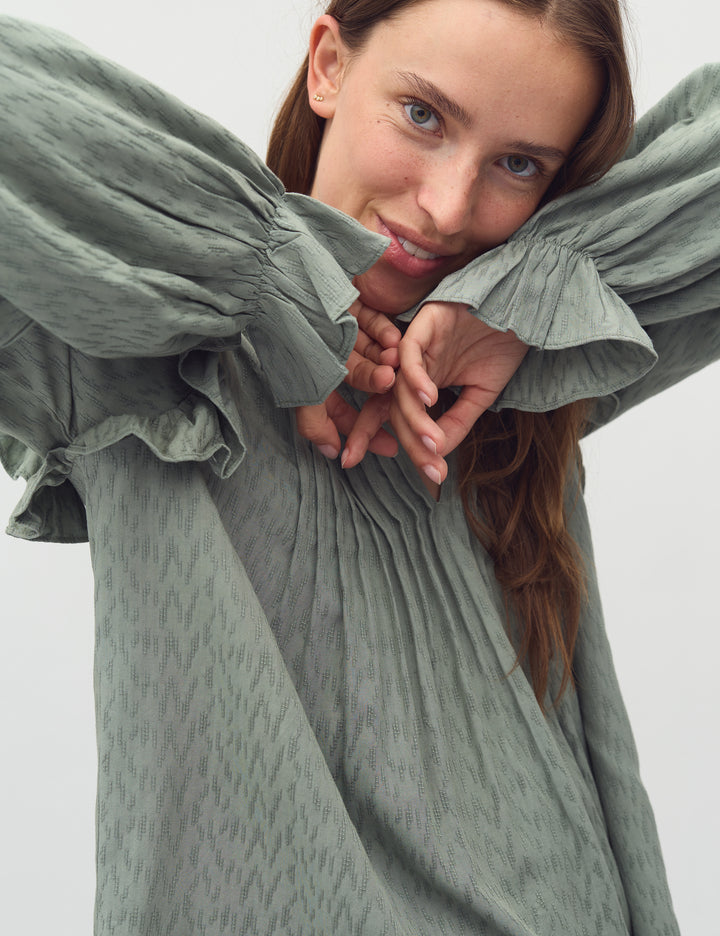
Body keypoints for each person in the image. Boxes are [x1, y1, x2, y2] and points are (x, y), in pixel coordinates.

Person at [0, 2, 718, 935]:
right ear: (329, 65)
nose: (450, 208)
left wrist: (531, 285)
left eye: (519, 164)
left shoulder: (530, 360)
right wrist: (273, 284)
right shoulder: (136, 349)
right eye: (423, 115)